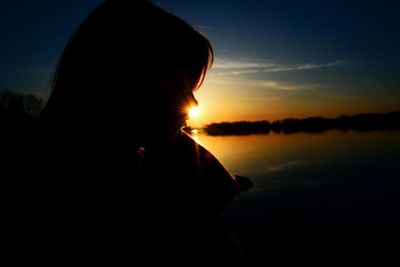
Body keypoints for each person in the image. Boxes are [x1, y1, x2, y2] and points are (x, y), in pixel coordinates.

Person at [8, 0, 252, 263]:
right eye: (180, 85)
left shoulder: (140, 162)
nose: (193, 102)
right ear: (123, 80)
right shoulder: (87, 189)